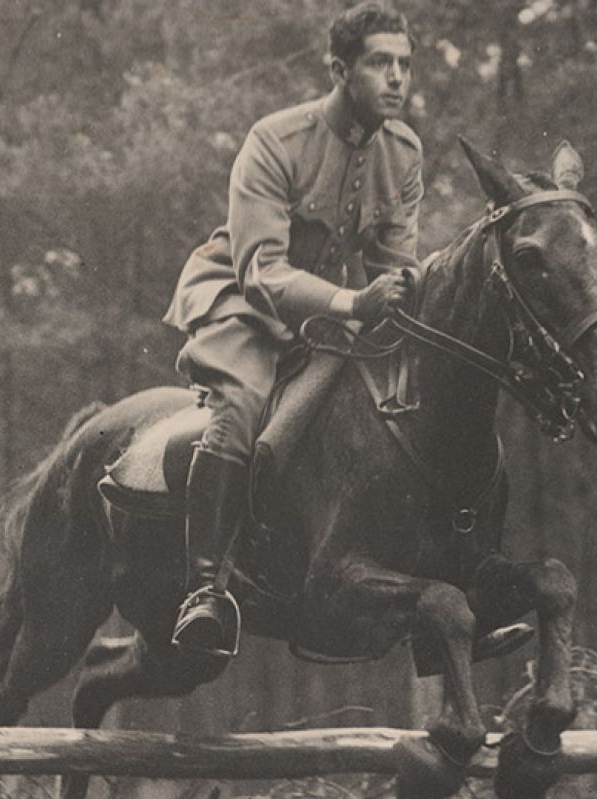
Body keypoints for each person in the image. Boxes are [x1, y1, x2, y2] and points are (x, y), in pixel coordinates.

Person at [162, 2, 422, 657]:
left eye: (404, 64)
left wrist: (399, 298)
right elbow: (260, 272)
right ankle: (203, 590)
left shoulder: (403, 151)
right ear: (339, 69)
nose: (396, 78)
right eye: (379, 63)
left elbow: (395, 264)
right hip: (243, 301)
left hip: (332, 312)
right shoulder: (275, 140)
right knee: (244, 401)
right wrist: (354, 301)